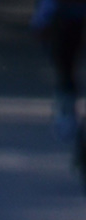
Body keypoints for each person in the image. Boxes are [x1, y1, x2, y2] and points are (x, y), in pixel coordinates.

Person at [35, 0, 86, 148]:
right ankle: (67, 112)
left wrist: (41, 19)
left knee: (65, 67)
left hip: (69, 16)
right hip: (68, 16)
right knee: (66, 66)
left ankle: (66, 113)